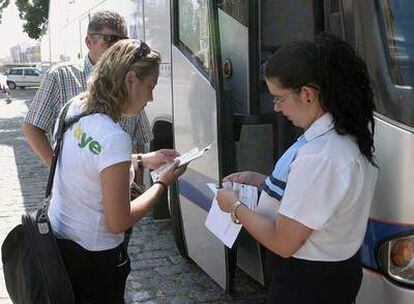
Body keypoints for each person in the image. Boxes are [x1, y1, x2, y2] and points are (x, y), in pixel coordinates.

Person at [216, 32, 378, 304]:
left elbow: (283, 242)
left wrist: (235, 207)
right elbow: (315, 197)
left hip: (307, 283)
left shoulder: (321, 157)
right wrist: (263, 182)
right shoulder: (333, 135)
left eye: (278, 98)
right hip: (324, 277)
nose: (276, 108)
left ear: (307, 94)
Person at [48, 39, 186, 303]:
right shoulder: (114, 137)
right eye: (151, 86)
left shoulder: (74, 107)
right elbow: (119, 221)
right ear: (131, 79)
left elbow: (88, 160)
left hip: (60, 245)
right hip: (96, 260)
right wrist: (162, 183)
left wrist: (144, 159)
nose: (152, 97)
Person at [22, 11, 152, 177]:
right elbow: (32, 127)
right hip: (79, 194)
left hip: (121, 187)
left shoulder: (130, 80)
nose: (117, 50)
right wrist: (60, 173)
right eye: (109, 41)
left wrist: (138, 180)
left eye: (123, 43)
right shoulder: (60, 76)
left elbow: (140, 138)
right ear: (89, 42)